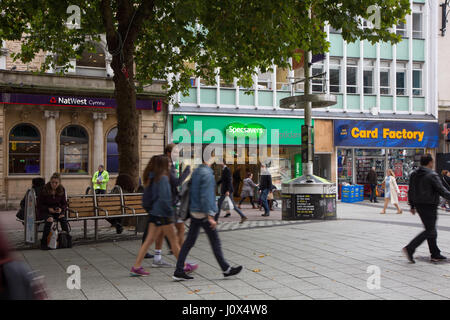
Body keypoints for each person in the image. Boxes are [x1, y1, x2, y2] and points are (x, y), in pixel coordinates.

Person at [173, 153, 243, 281]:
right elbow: (206, 196)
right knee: (215, 242)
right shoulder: (207, 173)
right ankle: (226, 269)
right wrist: (210, 216)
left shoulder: (197, 171)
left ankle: (179, 270)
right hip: (203, 214)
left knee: (189, 242)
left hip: (195, 211)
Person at [130, 155, 196, 276]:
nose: (170, 164)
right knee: (173, 240)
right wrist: (170, 213)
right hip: (164, 214)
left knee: (149, 240)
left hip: (154, 213)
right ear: (163, 165)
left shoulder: (152, 177)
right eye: (168, 163)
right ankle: (183, 266)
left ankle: (136, 266)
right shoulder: (163, 179)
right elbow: (165, 198)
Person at [403, 154, 450, 263]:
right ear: (430, 162)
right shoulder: (432, 174)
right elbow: (442, 190)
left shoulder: (414, 174)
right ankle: (410, 248)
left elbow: (411, 190)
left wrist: (412, 205)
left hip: (419, 205)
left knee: (431, 229)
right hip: (430, 205)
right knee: (430, 230)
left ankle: (435, 253)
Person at [37, 173, 70, 250]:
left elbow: (64, 203)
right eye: (52, 182)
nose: (54, 184)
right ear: (50, 182)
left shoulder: (61, 189)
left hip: (57, 211)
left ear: (59, 183)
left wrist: (61, 211)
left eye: (56, 183)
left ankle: (66, 240)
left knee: (63, 219)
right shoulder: (44, 189)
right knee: (50, 220)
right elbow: (39, 205)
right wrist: (48, 209)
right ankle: (44, 243)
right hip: (45, 211)